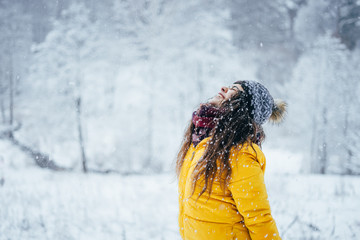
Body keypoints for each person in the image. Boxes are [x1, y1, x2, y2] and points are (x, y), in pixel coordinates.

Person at [176, 80, 286, 240]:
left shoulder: (240, 153)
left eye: (234, 90)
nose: (223, 88)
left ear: (243, 107)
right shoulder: (201, 142)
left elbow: (259, 219)